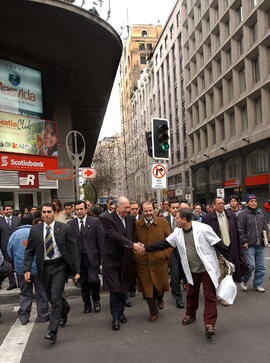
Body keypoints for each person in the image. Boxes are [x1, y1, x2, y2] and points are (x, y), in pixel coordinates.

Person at [143, 208, 233, 338]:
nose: (176, 220)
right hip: (191, 269)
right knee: (191, 294)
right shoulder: (178, 232)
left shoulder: (203, 228)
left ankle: (209, 324)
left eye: (177, 218)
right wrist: (145, 248)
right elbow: (164, 244)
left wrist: (231, 259)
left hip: (207, 269)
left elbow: (218, 244)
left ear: (184, 220)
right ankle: (190, 315)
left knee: (209, 297)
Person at [24, 203, 80, 344]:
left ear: (54, 213)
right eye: (44, 212)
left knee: (55, 297)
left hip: (59, 266)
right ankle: (65, 307)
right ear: (41, 214)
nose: (47, 214)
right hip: (44, 268)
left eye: (49, 212)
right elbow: (29, 251)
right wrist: (26, 269)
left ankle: (52, 331)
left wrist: (76, 271)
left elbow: (73, 250)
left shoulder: (64, 228)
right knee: (50, 297)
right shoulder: (35, 230)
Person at [101, 197, 143, 331]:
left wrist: (138, 244)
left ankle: (121, 313)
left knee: (123, 288)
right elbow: (114, 235)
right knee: (115, 289)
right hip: (112, 260)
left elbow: (133, 236)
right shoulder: (107, 218)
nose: (128, 210)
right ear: (117, 207)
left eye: (129, 207)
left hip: (126, 259)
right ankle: (115, 318)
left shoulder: (131, 219)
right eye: (126, 208)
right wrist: (132, 245)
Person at [7, 214, 49, 325]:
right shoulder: (38, 233)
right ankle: (43, 315)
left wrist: (17, 261)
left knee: (25, 293)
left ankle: (24, 316)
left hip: (21, 269)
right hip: (38, 268)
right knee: (41, 292)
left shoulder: (14, 235)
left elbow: (9, 251)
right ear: (33, 222)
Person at [134, 201, 172, 321]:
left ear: (154, 210)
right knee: (147, 288)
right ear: (142, 211)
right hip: (143, 262)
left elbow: (171, 241)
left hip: (159, 261)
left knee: (159, 286)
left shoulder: (163, 222)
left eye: (150, 210)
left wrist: (165, 255)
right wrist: (136, 257)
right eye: (146, 211)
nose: (149, 213)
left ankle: (160, 297)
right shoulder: (137, 224)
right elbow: (133, 242)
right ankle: (153, 312)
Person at [202, 197, 242, 305]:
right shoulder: (208, 218)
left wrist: (239, 249)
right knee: (221, 271)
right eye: (218, 204)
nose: (221, 205)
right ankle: (222, 295)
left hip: (230, 247)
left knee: (230, 270)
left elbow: (236, 232)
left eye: (222, 203)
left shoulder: (231, 215)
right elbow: (205, 235)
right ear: (214, 206)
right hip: (218, 249)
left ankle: (226, 291)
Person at [68, 201, 104, 313]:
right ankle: (87, 304)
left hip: (92, 257)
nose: (79, 211)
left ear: (86, 209)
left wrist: (102, 257)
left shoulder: (95, 222)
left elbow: (101, 240)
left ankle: (96, 300)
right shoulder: (70, 224)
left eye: (81, 209)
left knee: (94, 280)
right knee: (83, 283)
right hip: (79, 260)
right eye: (77, 209)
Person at [238, 194, 269, 292]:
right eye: (251, 201)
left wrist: (266, 239)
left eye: (255, 201)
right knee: (251, 266)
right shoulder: (243, 214)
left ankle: (257, 284)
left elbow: (265, 228)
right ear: (247, 203)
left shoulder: (260, 213)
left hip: (260, 244)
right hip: (249, 245)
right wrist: (244, 241)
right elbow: (240, 229)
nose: (253, 203)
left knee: (261, 266)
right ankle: (244, 280)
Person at [165, 199, 186, 309]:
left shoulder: (184, 219)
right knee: (175, 273)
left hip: (184, 250)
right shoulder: (165, 220)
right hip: (171, 251)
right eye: (173, 208)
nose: (175, 210)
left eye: (177, 208)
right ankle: (178, 298)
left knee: (185, 272)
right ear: (169, 208)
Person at [0, 204, 21, 290]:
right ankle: (12, 283)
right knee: (9, 265)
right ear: (4, 211)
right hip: (4, 246)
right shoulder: (0, 220)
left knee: (18, 264)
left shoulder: (17, 219)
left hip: (16, 245)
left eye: (10, 209)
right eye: (6, 209)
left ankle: (20, 283)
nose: (8, 211)